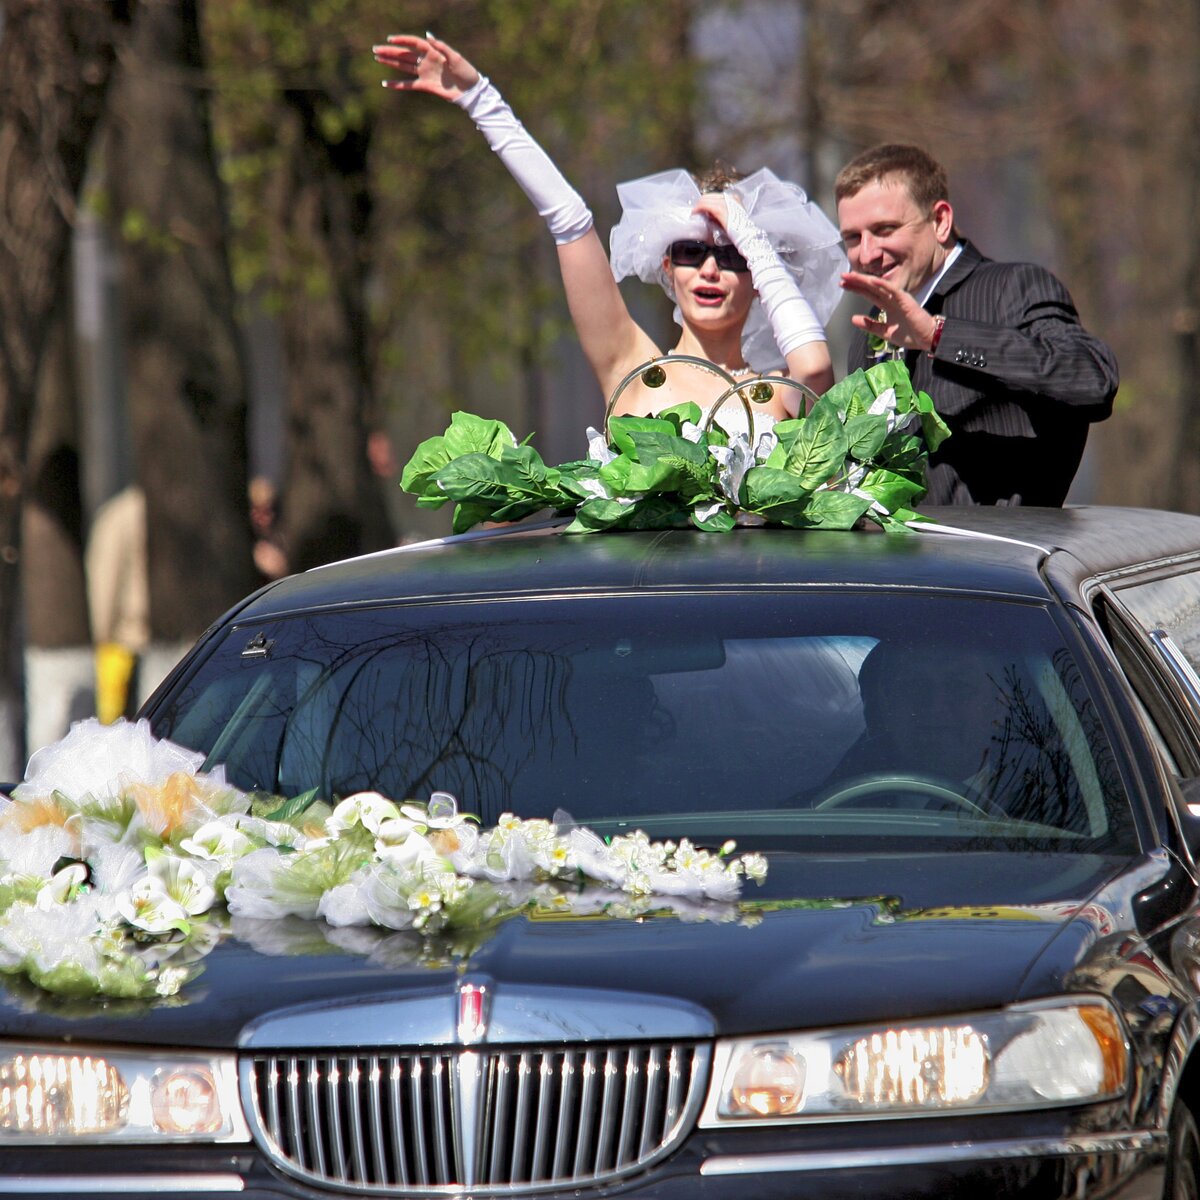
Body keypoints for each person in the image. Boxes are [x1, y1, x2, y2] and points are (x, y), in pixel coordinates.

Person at [373, 33, 846, 430]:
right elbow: (569, 220)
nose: (708, 269)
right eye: (689, 251)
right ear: (667, 266)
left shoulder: (777, 392)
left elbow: (816, 369)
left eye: (731, 257)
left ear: (760, 282)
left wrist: (754, 240)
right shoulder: (632, 367)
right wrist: (481, 100)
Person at [836, 143, 1118, 506]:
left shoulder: (1012, 287)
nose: (868, 253)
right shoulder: (870, 334)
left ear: (940, 221)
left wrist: (939, 336)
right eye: (853, 238)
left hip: (1006, 556)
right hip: (899, 560)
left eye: (885, 229)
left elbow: (1093, 380)